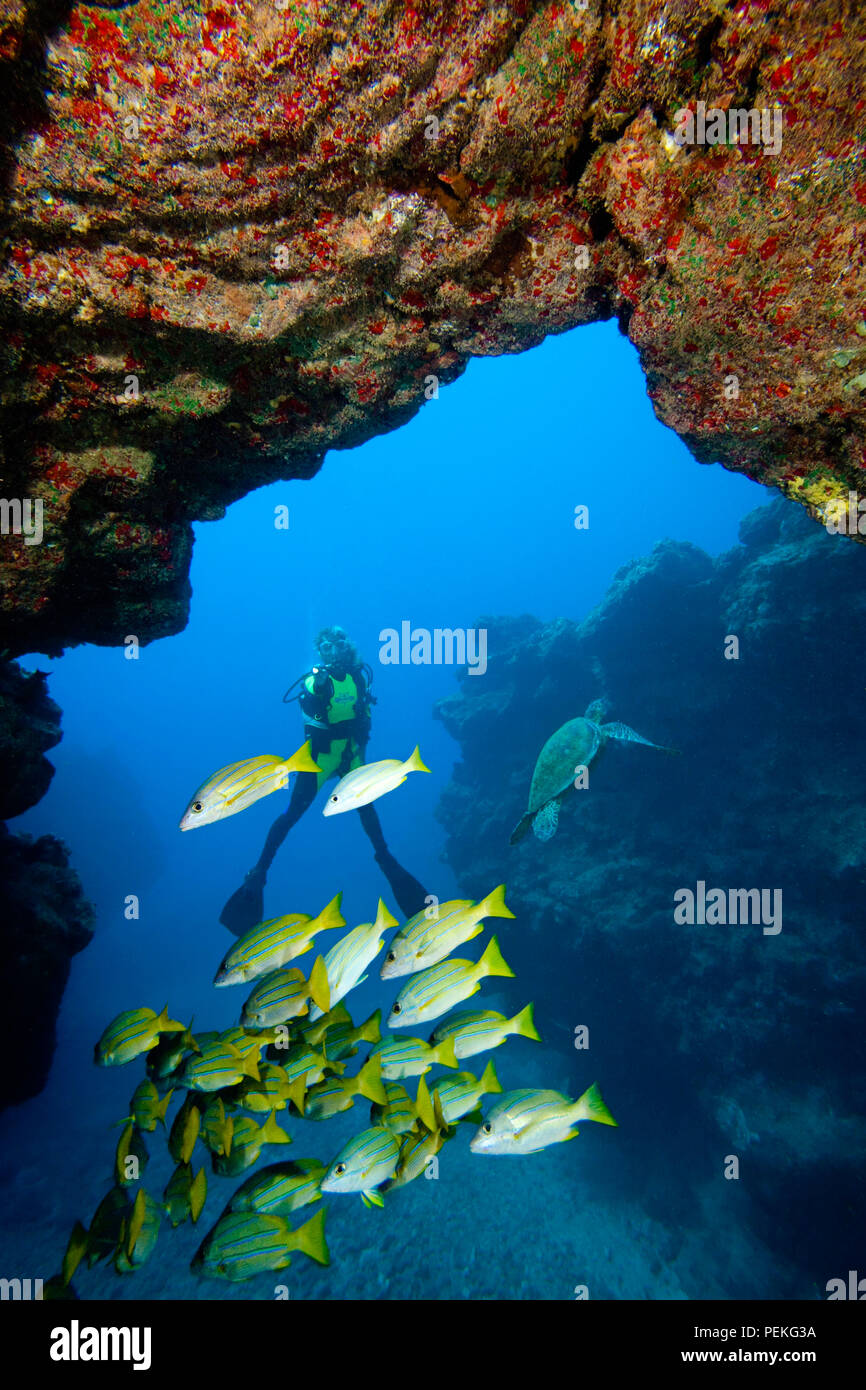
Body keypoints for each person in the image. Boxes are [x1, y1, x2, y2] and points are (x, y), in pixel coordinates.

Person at [219, 626, 429, 936]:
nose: (333, 649)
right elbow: (311, 698)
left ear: (347, 646)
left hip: (351, 754)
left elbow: (364, 719)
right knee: (292, 814)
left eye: (339, 643)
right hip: (320, 758)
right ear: (321, 652)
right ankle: (259, 872)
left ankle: (386, 859)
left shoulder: (360, 676)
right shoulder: (315, 680)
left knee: (367, 809)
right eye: (327, 646)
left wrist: (358, 757)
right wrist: (316, 686)